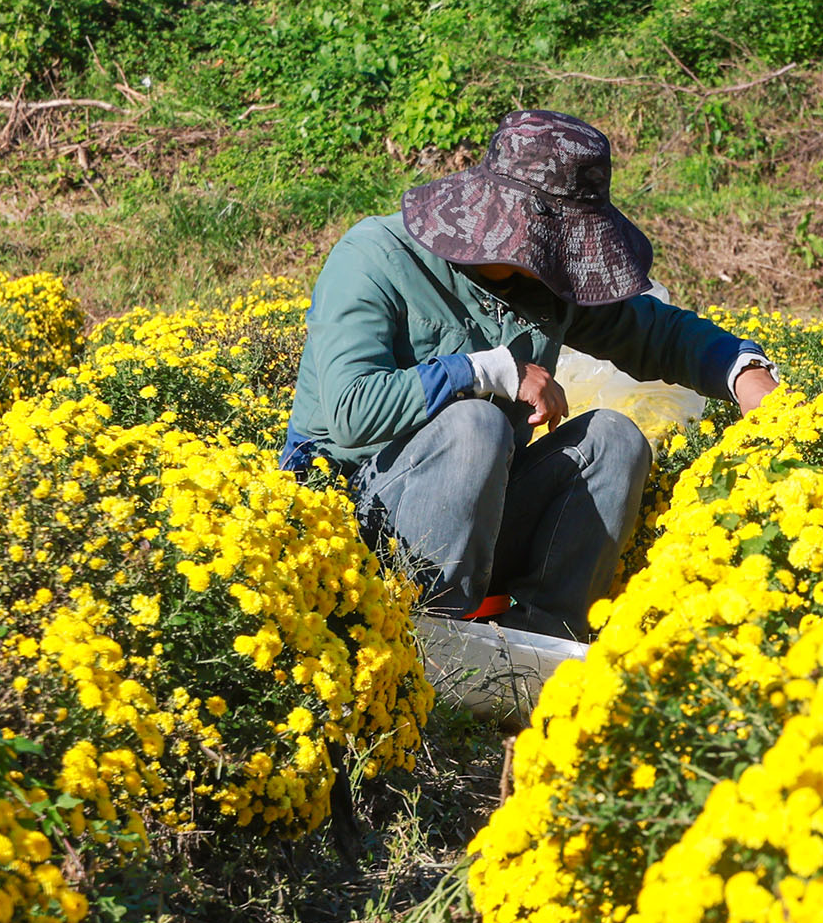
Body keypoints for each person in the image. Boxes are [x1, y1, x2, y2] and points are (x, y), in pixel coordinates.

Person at [283, 111, 780, 641]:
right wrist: (489, 370)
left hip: (482, 519)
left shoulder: (543, 283)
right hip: (357, 523)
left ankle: (543, 647)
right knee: (475, 425)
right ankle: (429, 646)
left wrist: (744, 372)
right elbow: (350, 412)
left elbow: (657, 333)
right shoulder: (377, 256)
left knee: (614, 439)